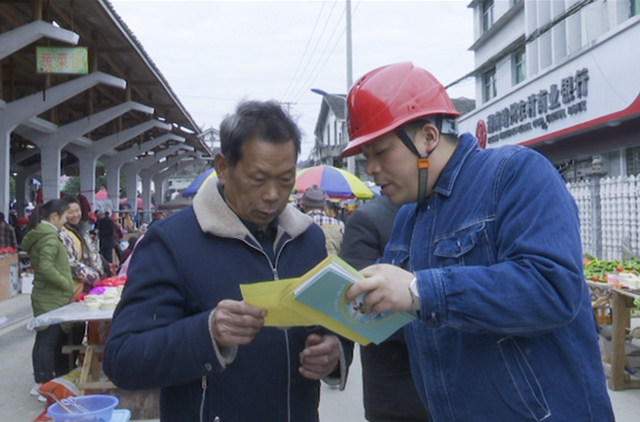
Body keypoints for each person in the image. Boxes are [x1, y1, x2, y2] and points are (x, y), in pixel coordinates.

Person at [343, 62, 614, 421]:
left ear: (428, 136)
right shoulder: (409, 217)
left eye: (381, 152)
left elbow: (553, 288)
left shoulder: (516, 173)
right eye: (365, 158)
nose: (371, 169)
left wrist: (420, 289)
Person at [104, 100, 352, 422]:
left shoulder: (308, 239)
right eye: (258, 178)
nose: (273, 195)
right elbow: (122, 359)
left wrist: (334, 352)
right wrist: (206, 333)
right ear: (222, 167)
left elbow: (335, 324)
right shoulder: (172, 242)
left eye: (285, 179)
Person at [341, 195, 429, 422]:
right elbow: (360, 314)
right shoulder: (368, 219)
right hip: (399, 398)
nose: (373, 168)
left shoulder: (461, 207)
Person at [20, 199, 75, 401]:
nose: (66, 221)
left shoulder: (41, 234)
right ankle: (43, 383)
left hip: (46, 294)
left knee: (45, 338)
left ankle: (42, 381)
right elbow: (45, 267)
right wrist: (66, 284)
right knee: (48, 340)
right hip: (50, 297)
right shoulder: (50, 237)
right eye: (64, 217)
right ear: (54, 217)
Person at [59, 196, 104, 300]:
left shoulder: (83, 229)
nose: (75, 215)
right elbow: (69, 262)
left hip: (89, 287)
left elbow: (94, 252)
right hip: (74, 288)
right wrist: (91, 277)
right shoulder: (62, 232)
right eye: (70, 212)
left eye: (77, 210)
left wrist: (98, 272)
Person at [299, 185, 345, 255]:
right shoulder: (339, 225)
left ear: (303, 206)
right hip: (331, 265)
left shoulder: (298, 224)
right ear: (324, 206)